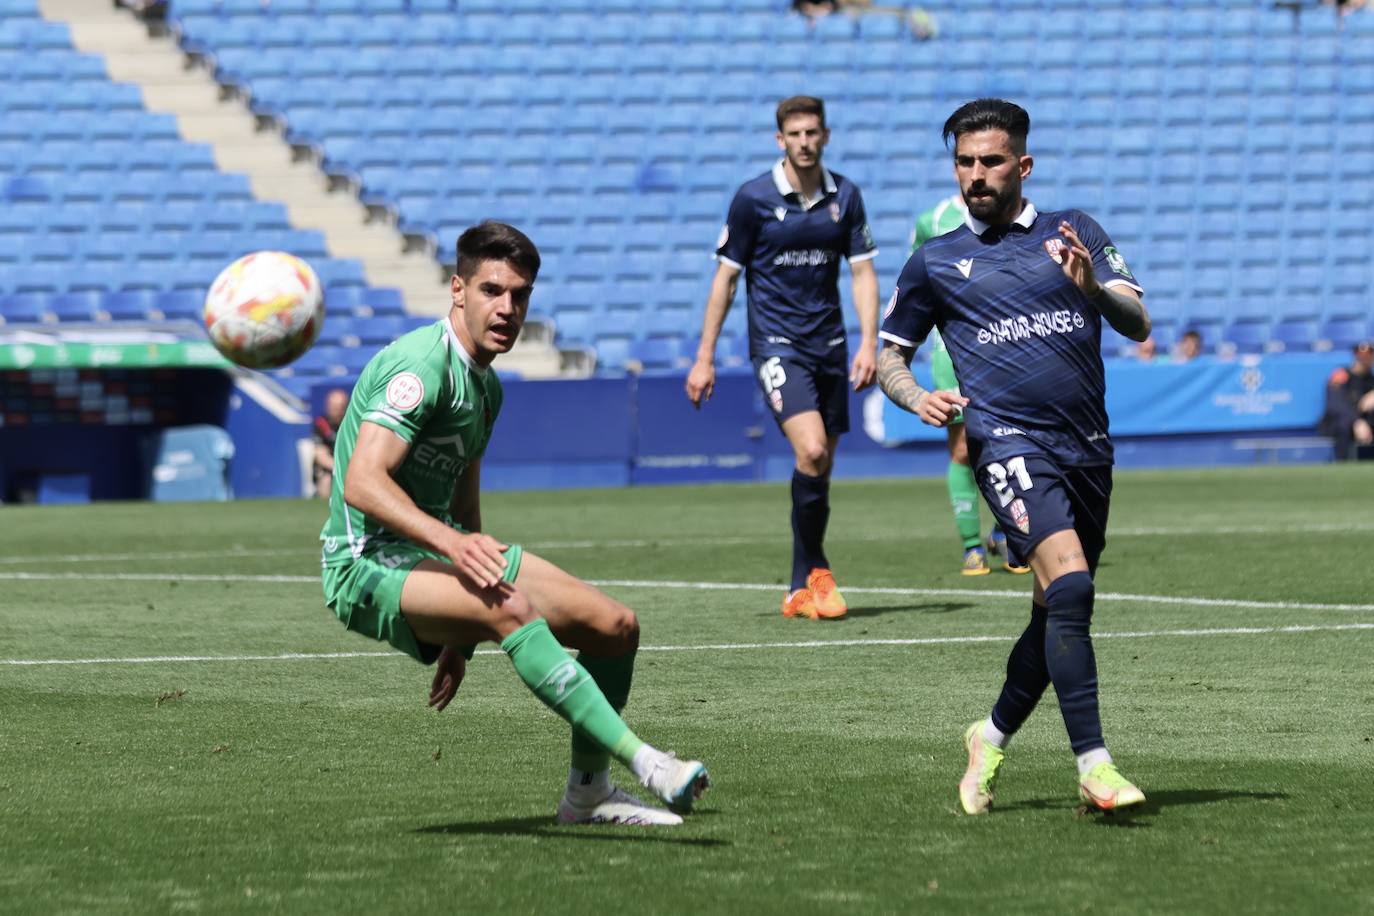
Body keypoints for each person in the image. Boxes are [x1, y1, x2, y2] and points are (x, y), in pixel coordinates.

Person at [320, 221, 709, 827]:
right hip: (365, 561)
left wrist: (460, 636)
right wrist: (453, 548)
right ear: (457, 288)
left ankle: (589, 793)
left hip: (430, 554)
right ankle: (650, 763)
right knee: (511, 609)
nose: (507, 307)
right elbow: (363, 484)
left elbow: (467, 512)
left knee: (615, 627)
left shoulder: (488, 388)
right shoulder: (419, 368)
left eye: (519, 295)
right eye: (491, 290)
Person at [876, 99, 1151, 815]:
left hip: (1087, 449)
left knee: (1056, 612)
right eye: (964, 163)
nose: (976, 176)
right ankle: (1094, 765)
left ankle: (989, 737)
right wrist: (915, 399)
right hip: (1008, 444)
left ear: (1022, 166)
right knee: (1074, 588)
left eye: (991, 161)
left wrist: (1092, 288)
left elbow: (1137, 318)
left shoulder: (1075, 232)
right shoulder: (934, 261)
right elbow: (889, 359)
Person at [686, 95, 881, 621]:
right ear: (780, 140)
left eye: (813, 132)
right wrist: (704, 357)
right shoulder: (752, 199)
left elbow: (862, 272)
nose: (804, 142)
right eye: (794, 134)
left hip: (833, 348)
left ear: (826, 136)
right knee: (813, 449)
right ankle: (818, 571)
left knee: (818, 466)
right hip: (777, 346)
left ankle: (799, 586)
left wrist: (869, 341)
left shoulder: (847, 197)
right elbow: (725, 279)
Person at [911, 194, 1029, 577]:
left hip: (1005, 346)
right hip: (953, 352)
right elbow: (917, 281)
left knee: (1013, 441)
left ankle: (1008, 530)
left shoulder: (1016, 214)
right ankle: (972, 545)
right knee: (963, 449)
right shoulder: (935, 219)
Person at [1321, 340, 1374, 461]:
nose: (1365, 358)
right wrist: (1356, 421)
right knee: (1343, 425)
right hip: (1343, 423)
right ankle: (1342, 464)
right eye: (1361, 354)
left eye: (1369, 354)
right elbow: (1336, 404)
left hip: (1366, 422)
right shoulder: (1341, 375)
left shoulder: (1371, 380)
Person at [312, 387, 349, 499]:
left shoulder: (352, 424)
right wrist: (342, 470)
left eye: (340, 408)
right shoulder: (321, 424)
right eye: (334, 407)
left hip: (351, 466)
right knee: (326, 479)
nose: (337, 411)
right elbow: (320, 455)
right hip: (331, 469)